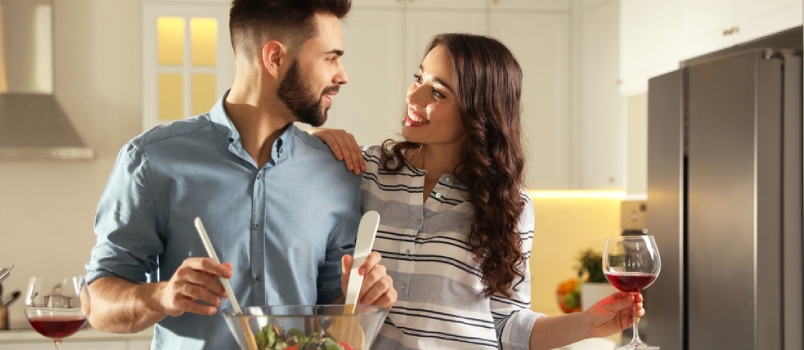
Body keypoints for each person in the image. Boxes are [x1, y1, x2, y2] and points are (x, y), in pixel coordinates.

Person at [85, 1, 396, 349]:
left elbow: (333, 314)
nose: (342, 75)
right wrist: (161, 295)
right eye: (330, 57)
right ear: (275, 58)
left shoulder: (335, 172)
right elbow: (97, 303)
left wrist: (362, 300)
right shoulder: (152, 160)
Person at [312, 33, 645, 350]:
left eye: (438, 93)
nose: (414, 98)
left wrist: (586, 325)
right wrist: (314, 143)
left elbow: (506, 325)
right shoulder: (365, 170)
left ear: (478, 111)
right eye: (419, 79)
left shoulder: (510, 203)